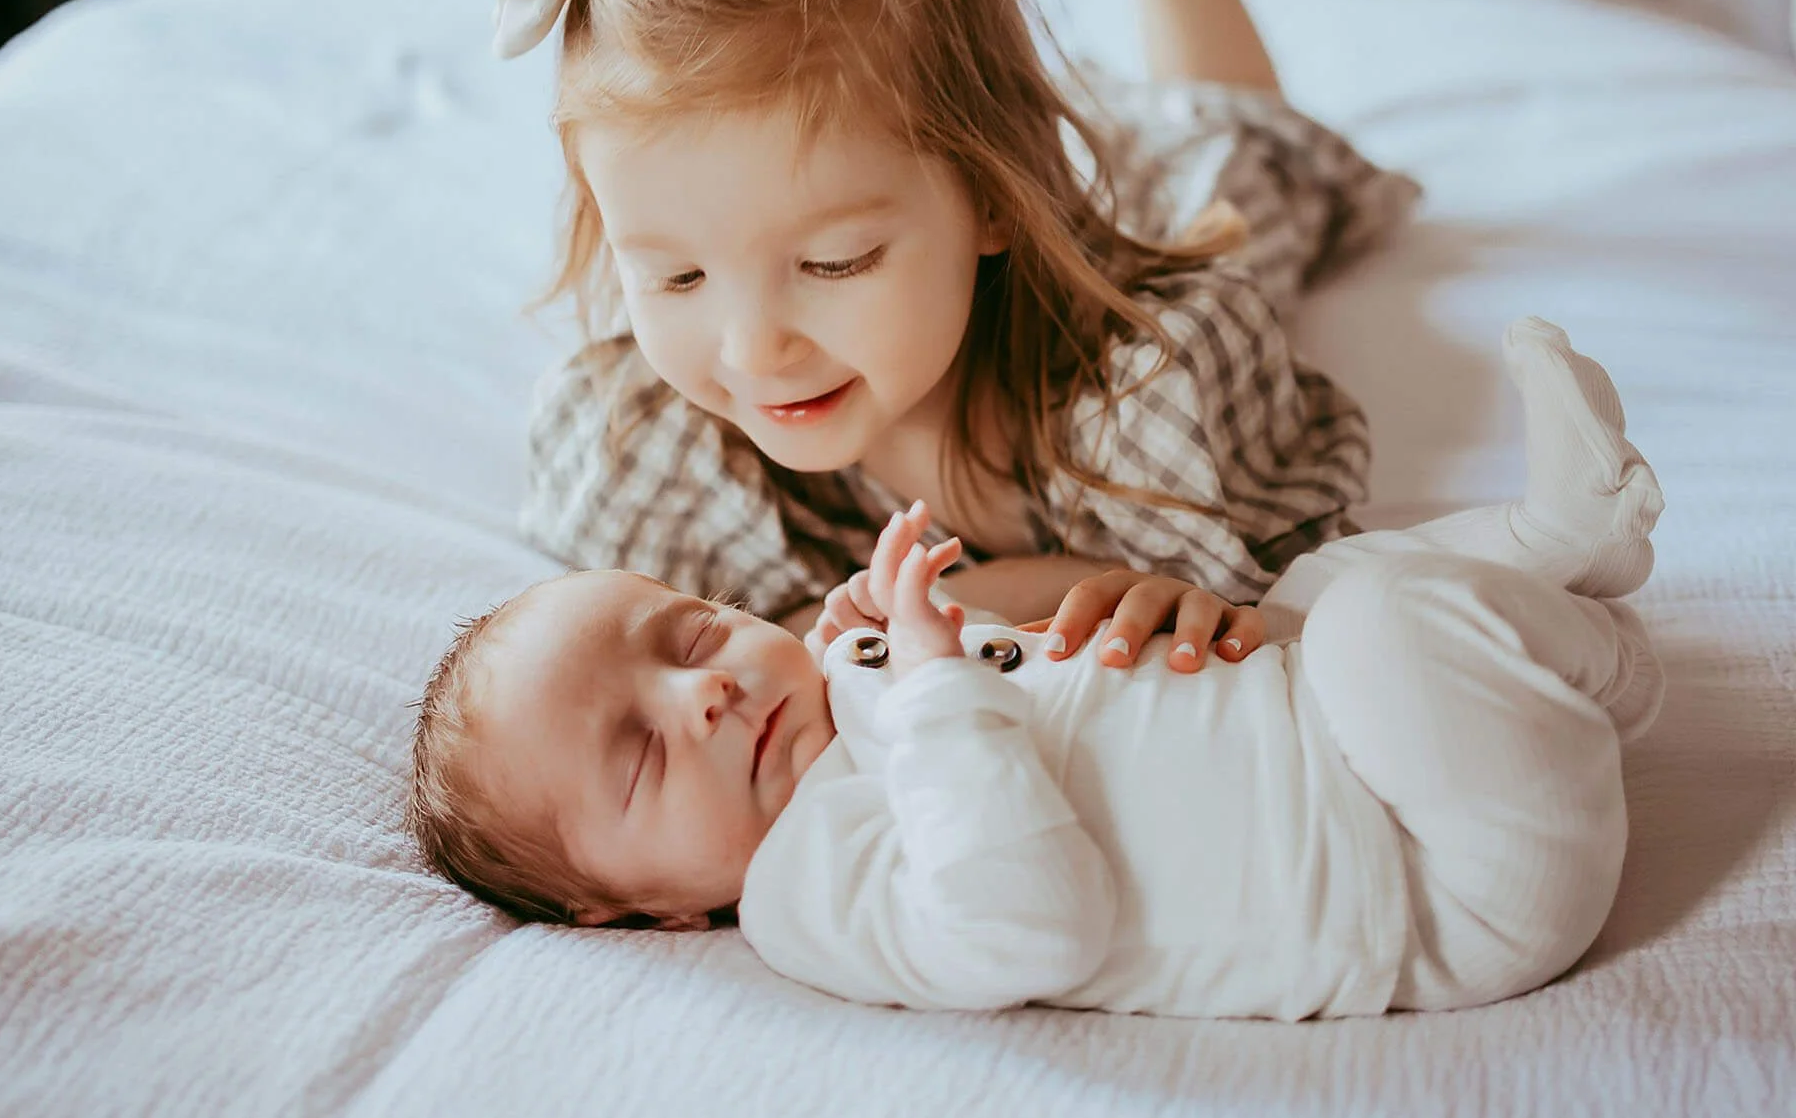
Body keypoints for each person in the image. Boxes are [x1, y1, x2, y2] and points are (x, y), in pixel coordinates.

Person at [497, 0, 1417, 674]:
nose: (753, 348)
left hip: (1114, 251)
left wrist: (1191, 604)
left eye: (836, 262)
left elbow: (1280, 613)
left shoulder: (1147, 401)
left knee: (1228, 150)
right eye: (675, 278)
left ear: (989, 194)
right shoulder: (653, 453)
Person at [409, 319, 1665, 1018]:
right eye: (640, 752)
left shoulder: (852, 667)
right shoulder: (809, 889)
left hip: (1324, 715)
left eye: (691, 637)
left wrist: (932, 621)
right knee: (1381, 623)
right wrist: (935, 685)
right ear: (642, 912)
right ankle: (1608, 673)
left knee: (1325, 587)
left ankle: (1559, 545)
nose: (708, 694)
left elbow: (1067, 624)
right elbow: (1028, 930)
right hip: (1431, 886)